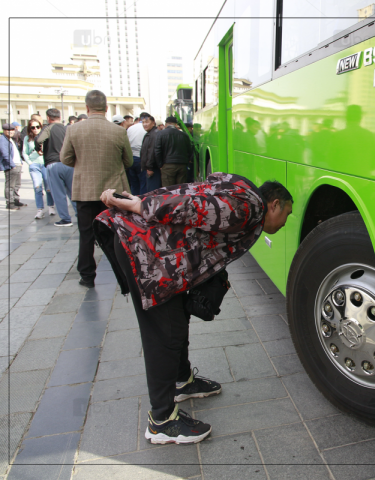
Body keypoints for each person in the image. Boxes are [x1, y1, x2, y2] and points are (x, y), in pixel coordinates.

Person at [93, 174, 293, 444]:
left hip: (160, 254)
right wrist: (139, 205)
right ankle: (161, 422)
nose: (285, 222)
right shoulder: (249, 208)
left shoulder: (242, 190)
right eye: (287, 214)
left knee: (176, 323)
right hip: (148, 252)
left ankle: (181, 380)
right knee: (164, 334)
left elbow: (194, 190)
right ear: (275, 204)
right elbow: (190, 204)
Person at [60, 90, 133, 289]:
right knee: (115, 234)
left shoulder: (74, 130)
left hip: (85, 190)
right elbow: (128, 160)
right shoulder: (118, 131)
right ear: (106, 108)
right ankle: (124, 277)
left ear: (86, 108)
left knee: (86, 234)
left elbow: (65, 159)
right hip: (113, 193)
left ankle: (87, 276)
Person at [36, 108, 75, 227]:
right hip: (69, 163)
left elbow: (39, 140)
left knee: (58, 193)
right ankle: (80, 214)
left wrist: (39, 149)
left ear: (48, 118)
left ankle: (65, 218)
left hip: (54, 163)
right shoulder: (66, 128)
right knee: (73, 192)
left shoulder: (48, 128)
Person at [22, 119, 55, 218]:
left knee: (48, 187)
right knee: (37, 187)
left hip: (45, 163)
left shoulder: (44, 136)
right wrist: (30, 163)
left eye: (37, 127)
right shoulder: (27, 138)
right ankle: (40, 209)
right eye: (33, 127)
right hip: (34, 164)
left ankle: (51, 206)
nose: (35, 129)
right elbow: (24, 152)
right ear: (30, 129)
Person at [154, 116, 192, 188]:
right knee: (181, 189)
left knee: (168, 190)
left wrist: (160, 165)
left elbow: (157, 151)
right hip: (182, 165)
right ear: (176, 124)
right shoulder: (184, 135)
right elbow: (189, 150)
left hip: (167, 165)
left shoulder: (161, 134)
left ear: (166, 124)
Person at [1, 123, 24, 210]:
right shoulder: (3, 140)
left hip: (17, 165)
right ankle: (10, 203)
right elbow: (5, 154)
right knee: (10, 186)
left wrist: (20, 162)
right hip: (11, 166)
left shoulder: (10, 139)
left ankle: (16, 200)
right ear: (4, 131)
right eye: (8, 130)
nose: (11, 132)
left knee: (17, 184)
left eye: (12, 130)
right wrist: (12, 165)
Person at [125, 112, 149, 195]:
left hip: (131, 158)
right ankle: (141, 202)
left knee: (134, 183)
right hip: (142, 158)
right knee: (143, 183)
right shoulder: (146, 128)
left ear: (139, 119)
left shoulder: (130, 128)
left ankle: (133, 200)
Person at [140, 115, 161, 193]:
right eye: (143, 122)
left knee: (153, 192)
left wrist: (150, 167)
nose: (144, 124)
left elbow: (152, 152)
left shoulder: (154, 134)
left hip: (153, 169)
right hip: (151, 168)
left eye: (147, 122)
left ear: (153, 123)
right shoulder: (150, 133)